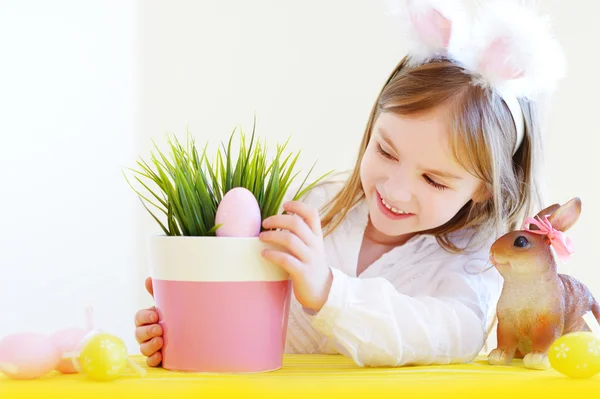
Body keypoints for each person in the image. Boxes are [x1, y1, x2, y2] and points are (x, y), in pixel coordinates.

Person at [134, 0, 566, 368]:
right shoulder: (317, 207)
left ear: (483, 189)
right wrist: (194, 316)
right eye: (386, 151)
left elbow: (451, 334)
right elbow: (249, 320)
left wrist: (329, 292)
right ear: (373, 124)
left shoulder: (471, 260)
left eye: (434, 179)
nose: (395, 190)